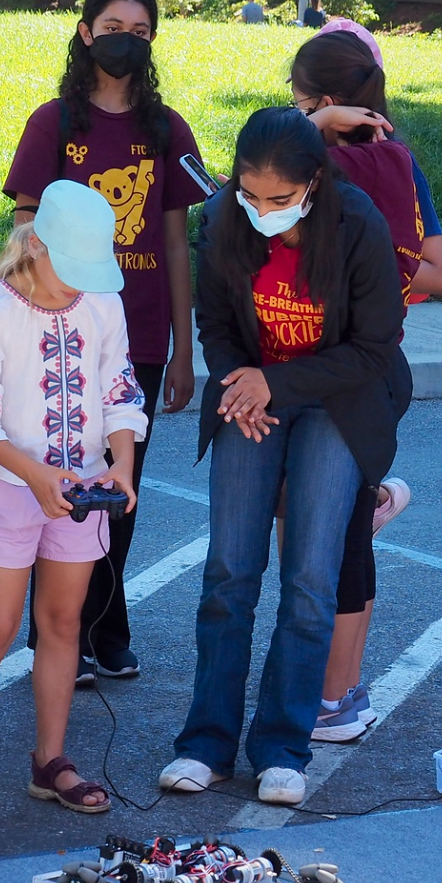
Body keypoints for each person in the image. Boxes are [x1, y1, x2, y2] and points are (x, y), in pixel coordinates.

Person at [159, 107, 410, 806]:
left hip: (340, 401)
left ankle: (282, 746)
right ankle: (205, 743)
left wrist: (279, 380)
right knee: (229, 572)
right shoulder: (225, 219)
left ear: (313, 183)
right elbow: (214, 320)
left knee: (309, 580)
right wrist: (245, 379)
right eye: (249, 193)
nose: (261, 209)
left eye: (279, 199)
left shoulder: (356, 225)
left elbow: (375, 345)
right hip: (255, 396)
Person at [4, 0, 204, 683]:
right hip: (60, 336)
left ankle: (105, 623)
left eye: (143, 32)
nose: (128, 41)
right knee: (64, 481)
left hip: (139, 337)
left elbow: (178, 241)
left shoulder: (168, 129)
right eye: (115, 26)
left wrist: (184, 348)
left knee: (120, 488)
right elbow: (25, 226)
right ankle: (54, 631)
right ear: (86, 32)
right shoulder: (53, 123)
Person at [0, 180, 148, 823]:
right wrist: (34, 476)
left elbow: (119, 390)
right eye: (70, 271)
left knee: (63, 624)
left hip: (82, 490)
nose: (78, 287)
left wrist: (121, 464)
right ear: (35, 246)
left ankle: (49, 760)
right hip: (11, 488)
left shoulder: (102, 302)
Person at [286, 27, 442, 741]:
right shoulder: (389, 162)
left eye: (296, 100)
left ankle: (336, 698)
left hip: (361, 371)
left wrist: (365, 285)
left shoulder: (339, 165)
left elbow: (439, 274)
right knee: (313, 517)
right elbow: (436, 270)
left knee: (341, 538)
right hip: (337, 366)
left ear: (322, 100)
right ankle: (374, 497)